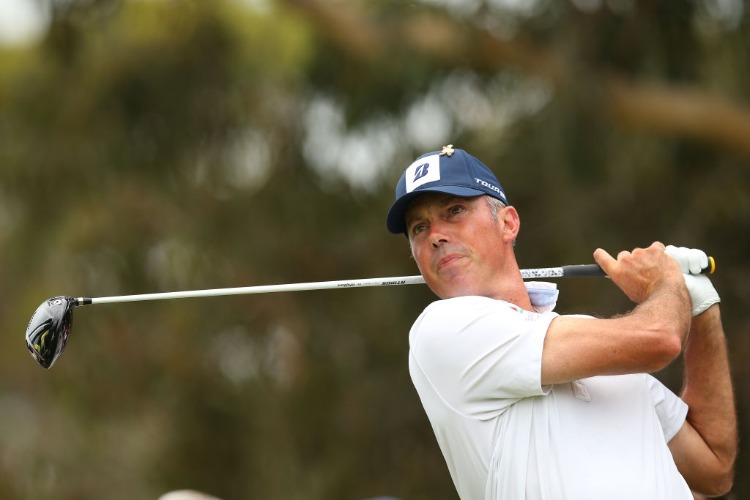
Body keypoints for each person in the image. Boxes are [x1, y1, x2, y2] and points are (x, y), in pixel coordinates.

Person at [386, 145, 737, 499]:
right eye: (419, 228)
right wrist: (666, 284)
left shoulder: (594, 336)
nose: (436, 236)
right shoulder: (442, 330)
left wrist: (701, 306)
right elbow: (659, 338)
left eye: (455, 210)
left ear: (507, 222)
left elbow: (713, 468)